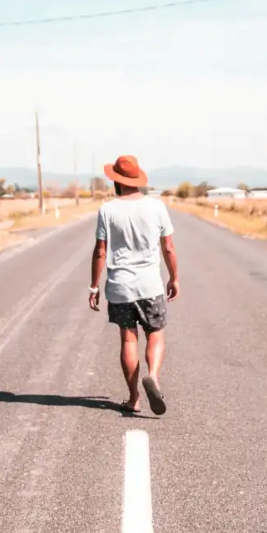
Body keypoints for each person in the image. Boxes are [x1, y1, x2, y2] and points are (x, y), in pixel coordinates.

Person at [88, 154, 179, 415]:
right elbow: (168, 247)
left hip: (120, 287)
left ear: (116, 181)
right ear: (137, 180)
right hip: (150, 285)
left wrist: (94, 286)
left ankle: (134, 398)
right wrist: (174, 277)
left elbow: (100, 252)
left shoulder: (107, 210)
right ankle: (153, 377)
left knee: (128, 340)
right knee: (155, 333)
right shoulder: (157, 207)